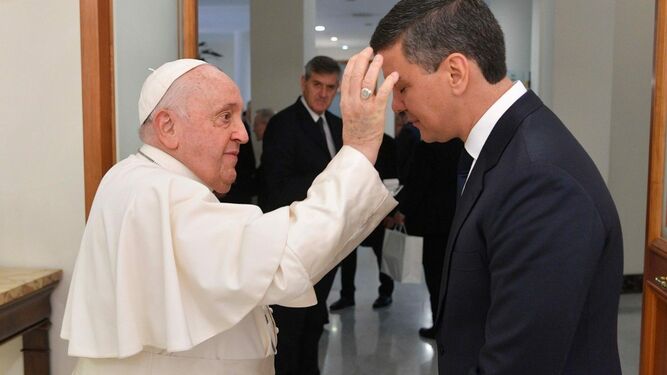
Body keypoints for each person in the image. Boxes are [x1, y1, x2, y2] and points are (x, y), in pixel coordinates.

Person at [60, 55, 399, 374]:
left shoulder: (135, 176)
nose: (241, 133)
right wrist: (358, 148)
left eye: (239, 117)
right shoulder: (161, 192)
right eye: (225, 117)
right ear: (168, 127)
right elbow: (286, 259)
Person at [370, 1, 623, 374]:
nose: (397, 105)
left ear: (455, 72)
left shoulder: (540, 181)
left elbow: (519, 362)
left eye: (403, 86)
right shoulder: (495, 149)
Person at [259, 55, 344, 375]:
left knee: (315, 320)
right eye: (317, 85)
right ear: (303, 83)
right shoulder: (283, 124)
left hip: (330, 243)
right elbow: (276, 187)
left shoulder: (337, 126)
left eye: (331, 88)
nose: (323, 94)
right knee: (291, 326)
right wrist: (329, 179)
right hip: (294, 243)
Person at [397, 139, 462, 338]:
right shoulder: (461, 143)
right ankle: (455, 324)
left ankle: (440, 325)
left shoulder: (427, 146)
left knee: (435, 279)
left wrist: (402, 210)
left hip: (430, 224)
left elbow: (417, 184)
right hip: (457, 219)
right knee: (453, 277)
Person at [329, 133, 398, 311]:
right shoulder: (349, 141)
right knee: (347, 255)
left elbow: (394, 177)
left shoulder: (388, 143)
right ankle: (347, 295)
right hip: (352, 208)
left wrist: (390, 210)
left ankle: (386, 292)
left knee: (382, 252)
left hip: (378, 208)